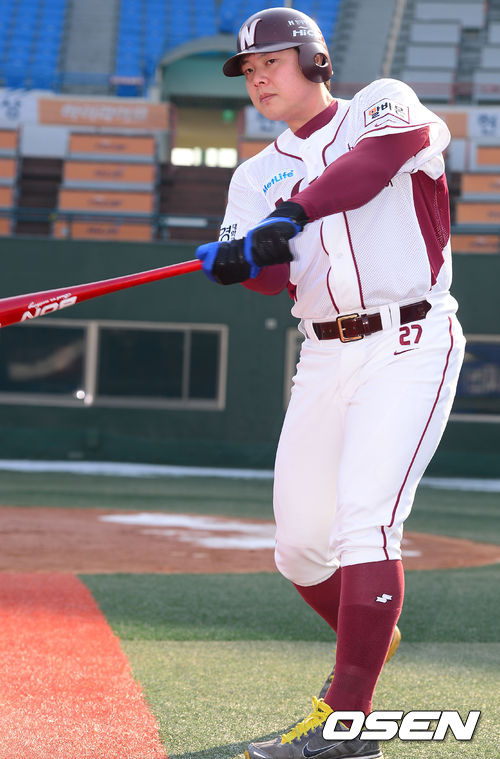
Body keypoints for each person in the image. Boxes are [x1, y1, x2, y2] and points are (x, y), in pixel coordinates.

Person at [195, 7, 465, 759]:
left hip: (409, 339)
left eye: (272, 63)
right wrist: (241, 262)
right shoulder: (254, 174)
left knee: (364, 522)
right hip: (322, 352)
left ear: (316, 62)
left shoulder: (383, 103)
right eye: (249, 71)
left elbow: (374, 167)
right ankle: (371, 632)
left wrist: (291, 213)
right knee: (300, 548)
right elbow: (269, 276)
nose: (258, 79)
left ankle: (348, 721)